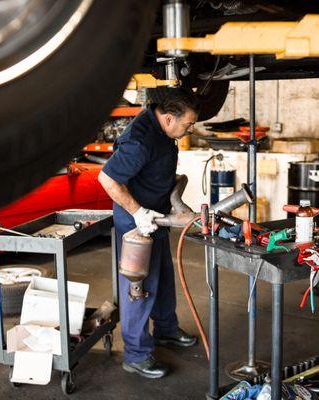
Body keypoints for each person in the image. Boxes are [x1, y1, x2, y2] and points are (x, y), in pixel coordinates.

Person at [98, 87, 200, 379]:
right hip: (136, 223)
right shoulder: (140, 141)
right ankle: (136, 354)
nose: (189, 129)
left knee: (163, 277)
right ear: (168, 118)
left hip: (155, 216)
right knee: (138, 291)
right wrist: (138, 213)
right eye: (188, 124)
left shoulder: (163, 131)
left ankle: (165, 330)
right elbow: (108, 179)